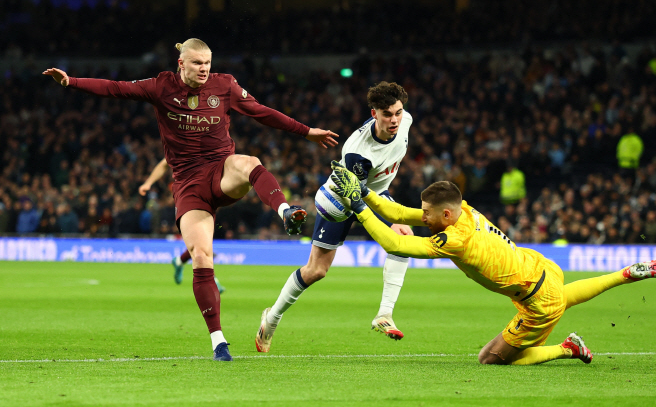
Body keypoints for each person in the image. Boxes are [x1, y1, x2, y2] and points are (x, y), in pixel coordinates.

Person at [43, 38, 338, 361]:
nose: (204, 69)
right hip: (188, 186)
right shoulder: (160, 86)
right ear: (181, 63)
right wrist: (71, 82)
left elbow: (261, 113)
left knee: (249, 162)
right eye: (197, 63)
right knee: (201, 255)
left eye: (208, 63)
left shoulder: (224, 85)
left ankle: (285, 210)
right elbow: (116, 88)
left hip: (221, 172)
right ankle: (218, 342)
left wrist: (306, 131)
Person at [329, 166, 656, 365]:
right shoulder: (466, 212)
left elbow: (396, 242)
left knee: (490, 359)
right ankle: (627, 273)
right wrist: (364, 192)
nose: (424, 218)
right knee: (561, 295)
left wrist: (358, 207)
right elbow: (399, 214)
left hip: (536, 300)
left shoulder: (455, 241)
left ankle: (567, 348)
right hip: (540, 269)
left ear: (445, 215)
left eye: (429, 214)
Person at [256, 82, 414, 353]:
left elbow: (376, 190)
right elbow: (359, 199)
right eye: (387, 114)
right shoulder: (357, 153)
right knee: (316, 271)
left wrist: (395, 218)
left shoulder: (406, 121)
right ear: (374, 114)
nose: (395, 120)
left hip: (375, 192)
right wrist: (390, 214)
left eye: (398, 112)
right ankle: (271, 318)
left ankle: (384, 314)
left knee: (403, 236)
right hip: (342, 199)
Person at [138, 158, 225, 293]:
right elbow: (164, 164)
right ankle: (212, 279)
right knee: (201, 244)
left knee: (202, 244)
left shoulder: (207, 146)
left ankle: (179, 261)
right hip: (187, 200)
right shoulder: (182, 145)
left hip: (207, 198)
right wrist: (148, 183)